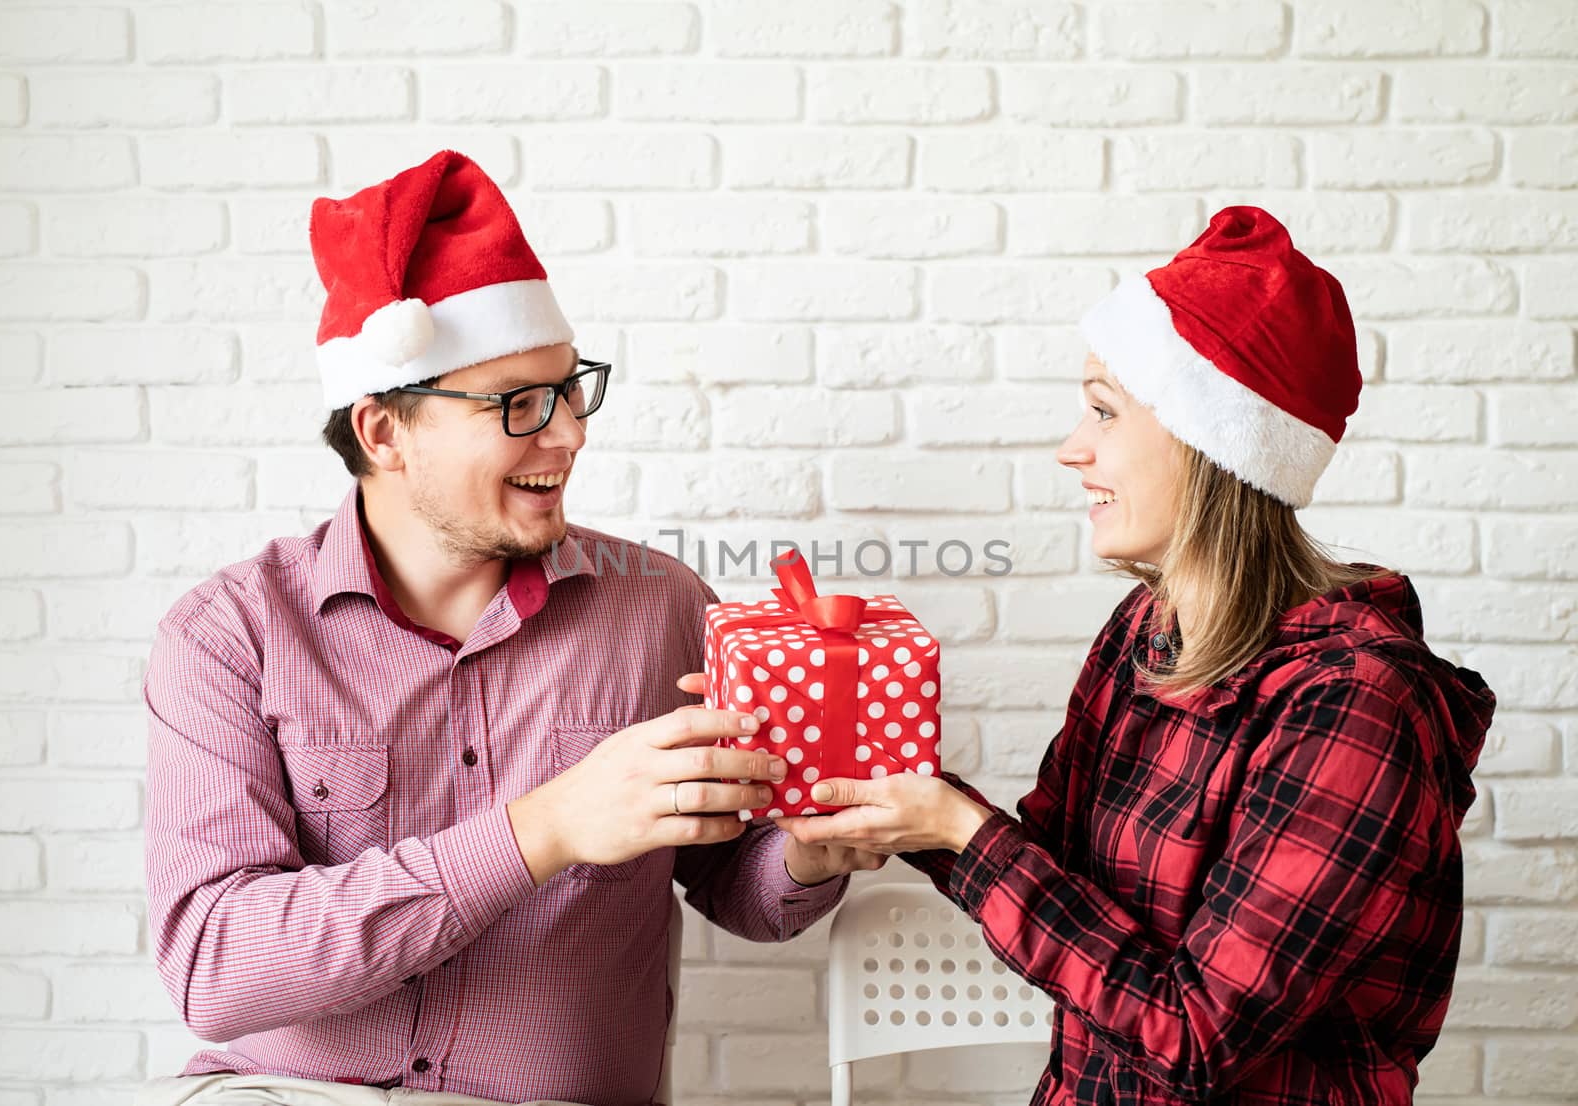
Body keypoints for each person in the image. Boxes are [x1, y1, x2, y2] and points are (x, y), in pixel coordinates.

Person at [141, 149, 883, 1106]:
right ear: (383, 433)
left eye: (571, 390)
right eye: (520, 405)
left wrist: (810, 855)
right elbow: (214, 968)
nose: (570, 433)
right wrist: (542, 830)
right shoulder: (228, 636)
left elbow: (731, 876)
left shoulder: (657, 607)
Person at [775, 207, 1495, 1104]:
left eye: (1105, 411)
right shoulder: (1145, 630)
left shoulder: (1359, 702)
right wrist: (865, 773)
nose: (1072, 448)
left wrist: (957, 828)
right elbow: (1052, 867)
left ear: (1211, 445)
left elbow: (1195, 1034)